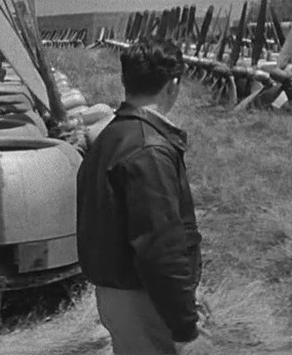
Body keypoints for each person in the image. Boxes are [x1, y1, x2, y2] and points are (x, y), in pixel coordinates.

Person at [76, 37, 203, 354]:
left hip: (118, 292)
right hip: (145, 296)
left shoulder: (110, 136)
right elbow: (160, 246)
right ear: (173, 86)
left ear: (125, 80)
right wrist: (184, 322)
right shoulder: (150, 149)